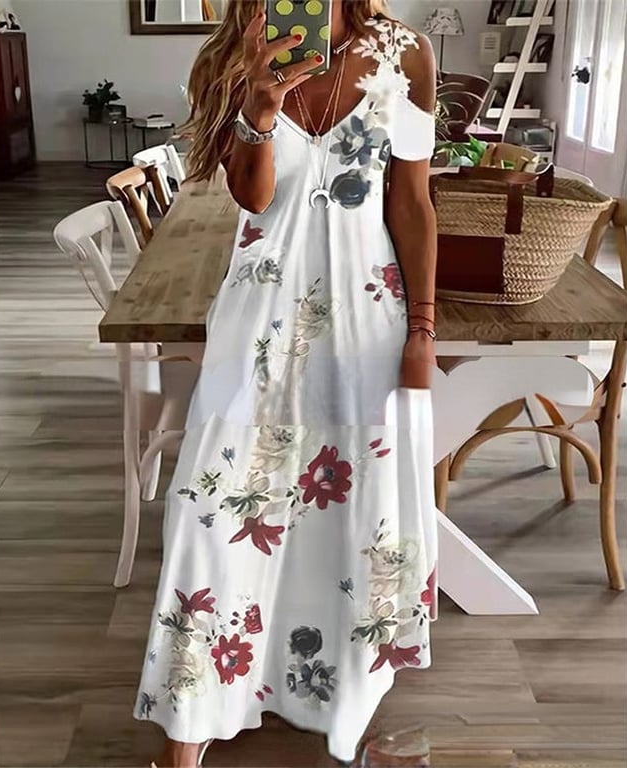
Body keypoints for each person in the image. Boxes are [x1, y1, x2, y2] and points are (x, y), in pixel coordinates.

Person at [136, 1, 439, 765]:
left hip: (366, 317)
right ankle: (185, 733)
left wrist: (424, 328)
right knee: (212, 509)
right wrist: (261, 107)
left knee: (351, 514)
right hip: (257, 315)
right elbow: (254, 197)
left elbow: (411, 201)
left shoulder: (407, 54)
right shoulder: (234, 55)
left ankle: (334, 696)